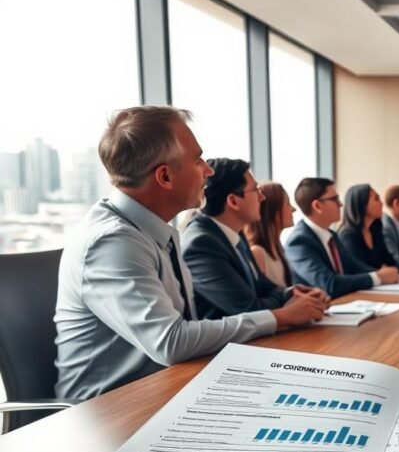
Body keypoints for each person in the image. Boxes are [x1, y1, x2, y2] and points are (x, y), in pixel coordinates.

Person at [54, 106, 327, 400]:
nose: (208, 171)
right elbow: (171, 342)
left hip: (167, 388)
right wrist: (278, 317)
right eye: (198, 160)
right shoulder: (113, 243)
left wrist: (284, 304)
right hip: (112, 408)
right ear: (165, 176)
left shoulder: (151, 232)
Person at [182, 159, 329, 319]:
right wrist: (290, 304)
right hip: (233, 336)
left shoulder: (234, 233)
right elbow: (248, 308)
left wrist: (294, 293)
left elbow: (264, 287)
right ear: (233, 201)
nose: (262, 197)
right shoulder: (202, 244)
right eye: (256, 190)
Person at [284, 178, 399, 298]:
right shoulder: (299, 242)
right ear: (317, 206)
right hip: (321, 307)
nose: (340, 204)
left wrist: (381, 273)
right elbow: (330, 284)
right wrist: (378, 277)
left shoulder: (331, 235)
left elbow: (355, 267)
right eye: (334, 199)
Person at [336, 184, 399, 273]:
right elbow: (357, 271)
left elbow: (390, 263)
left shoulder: (375, 230)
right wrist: (381, 272)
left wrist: (386, 271)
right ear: (362, 204)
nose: (381, 203)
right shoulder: (348, 236)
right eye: (376, 199)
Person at [245, 181, 295, 288]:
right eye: (287, 203)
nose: (293, 209)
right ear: (272, 210)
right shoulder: (257, 253)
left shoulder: (278, 249)